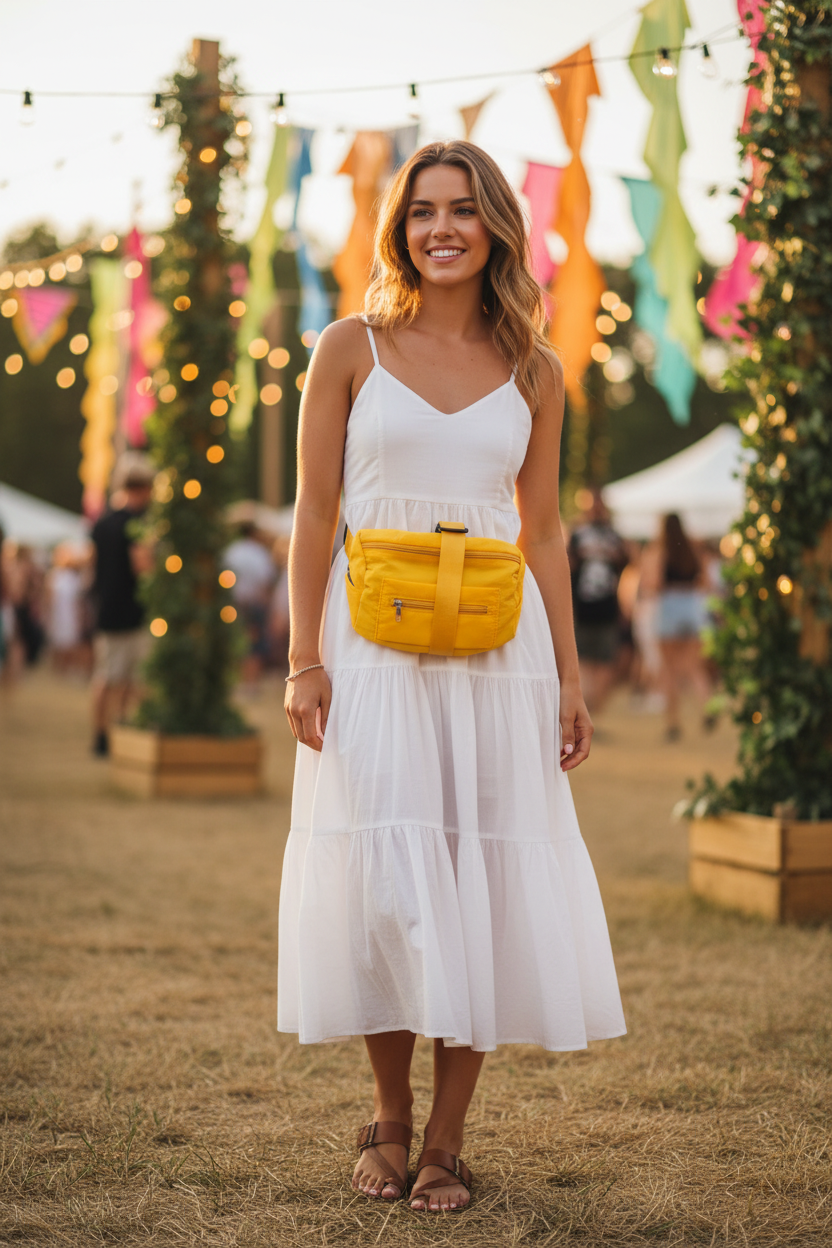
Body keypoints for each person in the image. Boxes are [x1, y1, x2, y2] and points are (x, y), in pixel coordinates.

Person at [279, 141, 625, 1214]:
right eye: (423, 209)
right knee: (387, 877)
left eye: (463, 211)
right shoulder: (348, 346)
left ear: (496, 231)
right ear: (399, 227)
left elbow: (548, 531)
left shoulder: (536, 369)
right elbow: (313, 514)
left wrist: (569, 679)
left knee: (477, 874)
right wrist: (302, 659)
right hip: (370, 649)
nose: (442, 228)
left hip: (497, 657)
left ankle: (445, 1139)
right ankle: (384, 1116)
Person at [90, 454, 154, 755]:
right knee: (128, 679)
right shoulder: (136, 524)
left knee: (106, 677)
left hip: (106, 609)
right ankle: (121, 727)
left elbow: (92, 567)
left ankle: (101, 735)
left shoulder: (102, 523)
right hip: (133, 612)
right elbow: (142, 567)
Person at [648, 512, 712, 742]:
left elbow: (654, 584)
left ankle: (673, 723)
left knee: (670, 671)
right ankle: (708, 707)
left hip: (669, 610)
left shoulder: (662, 552)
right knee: (695, 667)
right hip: (692, 609)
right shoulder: (693, 550)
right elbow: (706, 582)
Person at [567, 491, 628, 712]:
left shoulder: (613, 537)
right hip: (583, 609)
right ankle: (588, 709)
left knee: (602, 662)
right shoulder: (580, 535)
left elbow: (624, 569)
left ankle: (592, 710)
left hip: (606, 608)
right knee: (584, 661)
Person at [222, 522, 277, 687]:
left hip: (234, 604)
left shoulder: (231, 552)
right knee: (256, 642)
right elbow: (266, 580)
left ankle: (242, 679)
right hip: (255, 603)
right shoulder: (259, 552)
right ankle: (252, 681)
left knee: (239, 640)